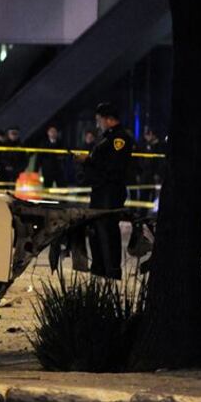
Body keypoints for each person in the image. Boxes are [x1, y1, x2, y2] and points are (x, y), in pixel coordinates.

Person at [79, 103, 134, 279]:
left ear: (109, 119)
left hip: (109, 193)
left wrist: (88, 161)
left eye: (99, 120)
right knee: (96, 231)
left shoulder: (119, 139)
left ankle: (111, 271)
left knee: (107, 231)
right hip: (100, 192)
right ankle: (99, 268)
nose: (98, 124)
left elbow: (113, 168)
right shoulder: (107, 138)